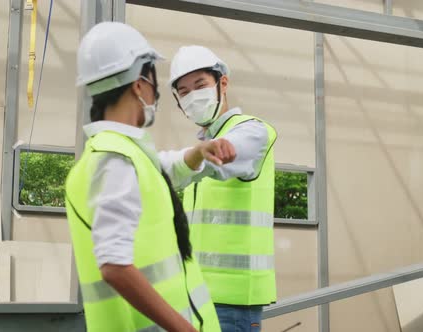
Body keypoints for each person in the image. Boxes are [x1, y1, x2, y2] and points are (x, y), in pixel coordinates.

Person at [65, 23, 233, 332]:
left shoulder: (117, 154)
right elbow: (114, 267)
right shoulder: (114, 160)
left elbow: (161, 169)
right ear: (139, 85)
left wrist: (199, 152)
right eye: (153, 79)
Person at [168, 45, 278, 332]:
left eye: (200, 85)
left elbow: (225, 156)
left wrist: (210, 153)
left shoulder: (252, 131)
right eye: (183, 91)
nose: (192, 96)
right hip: (196, 297)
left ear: (223, 83)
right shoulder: (200, 147)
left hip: (232, 305)